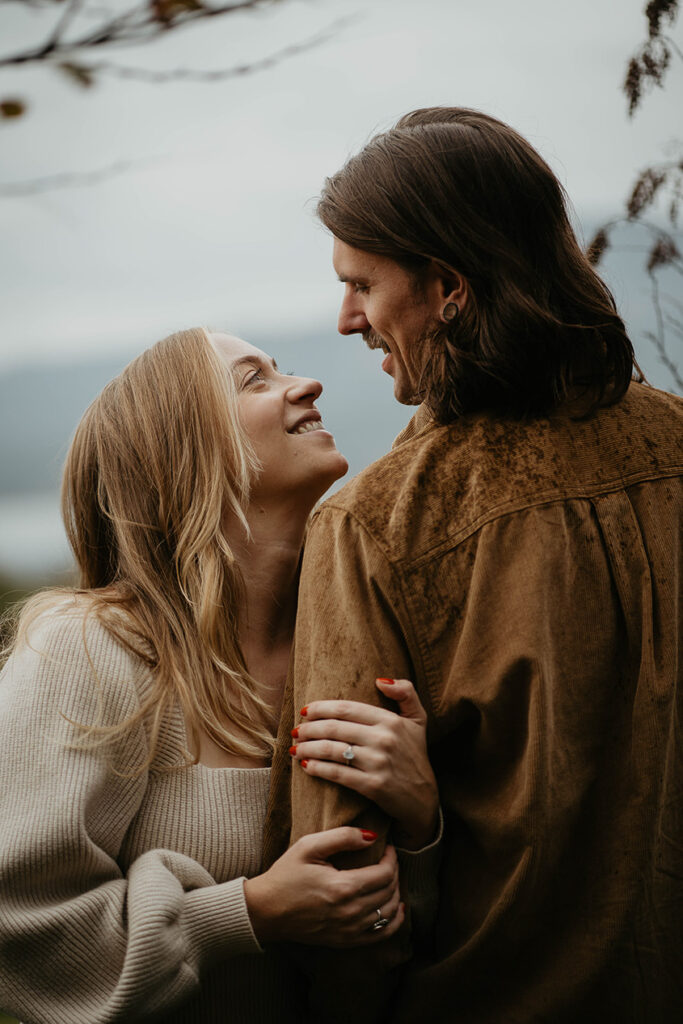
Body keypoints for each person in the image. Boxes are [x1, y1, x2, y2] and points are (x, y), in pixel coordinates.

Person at [263, 107, 683, 1022]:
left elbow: (347, 880)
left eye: (361, 284)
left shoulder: (376, 525)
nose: (346, 321)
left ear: (448, 287)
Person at [0, 327, 441, 1024]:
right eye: (254, 381)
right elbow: (16, 938)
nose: (307, 385)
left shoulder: (358, 641)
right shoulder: (87, 652)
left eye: (280, 369)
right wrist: (249, 914)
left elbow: (430, 942)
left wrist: (420, 816)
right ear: (185, 449)